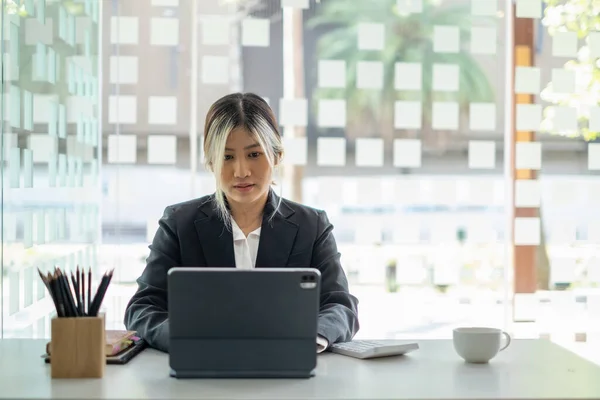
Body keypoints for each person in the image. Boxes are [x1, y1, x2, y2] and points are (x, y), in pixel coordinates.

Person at [123, 92, 360, 353]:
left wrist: (310, 339)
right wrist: (191, 340)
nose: (241, 171)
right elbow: (143, 308)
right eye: (227, 157)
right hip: (202, 374)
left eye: (254, 154)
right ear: (211, 161)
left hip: (288, 373)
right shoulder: (179, 224)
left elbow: (340, 306)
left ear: (277, 155)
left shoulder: (312, 226)